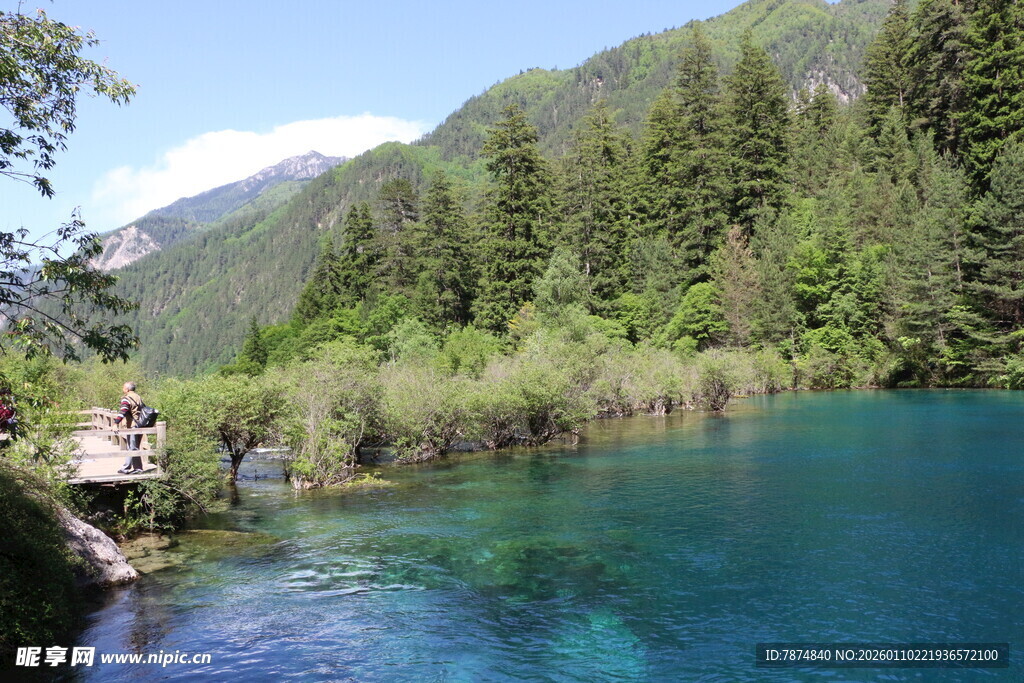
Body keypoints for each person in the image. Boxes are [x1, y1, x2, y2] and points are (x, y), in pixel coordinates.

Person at [114, 381, 144, 474]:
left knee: (132, 447)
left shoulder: (127, 399)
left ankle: (127, 468)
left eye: (123, 387)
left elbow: (123, 411)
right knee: (133, 447)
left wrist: (116, 423)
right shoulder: (138, 397)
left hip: (132, 425)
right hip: (139, 424)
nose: (122, 389)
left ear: (127, 389)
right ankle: (137, 468)